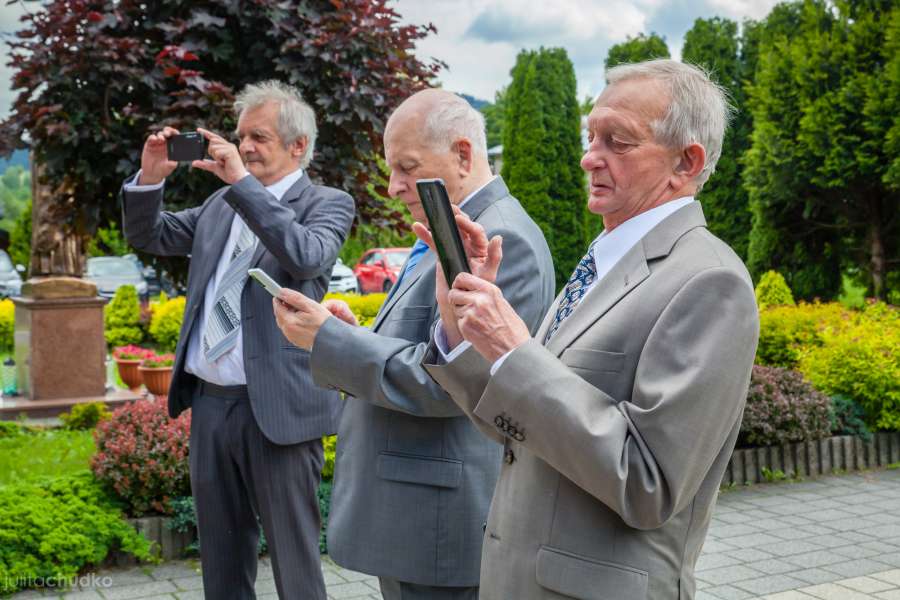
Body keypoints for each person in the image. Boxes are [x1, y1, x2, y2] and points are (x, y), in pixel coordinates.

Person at [420, 59, 760, 600]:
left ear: (685, 162)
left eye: (617, 142)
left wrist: (515, 349)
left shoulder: (710, 281)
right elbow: (520, 425)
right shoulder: (605, 259)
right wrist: (463, 330)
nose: (588, 157)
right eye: (590, 135)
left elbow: (648, 483)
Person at [271, 89, 555, 599]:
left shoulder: (496, 242)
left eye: (406, 166)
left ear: (463, 154)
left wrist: (330, 341)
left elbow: (452, 386)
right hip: (421, 516)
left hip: (439, 526)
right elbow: (429, 345)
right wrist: (355, 334)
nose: (391, 186)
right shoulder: (451, 226)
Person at [121, 80, 354, 600]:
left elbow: (306, 256)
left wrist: (244, 187)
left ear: (298, 146)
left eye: (259, 137)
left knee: (295, 564)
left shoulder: (327, 202)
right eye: (241, 135)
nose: (244, 147)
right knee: (222, 563)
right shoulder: (222, 204)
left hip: (278, 412)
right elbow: (149, 235)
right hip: (210, 406)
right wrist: (149, 179)